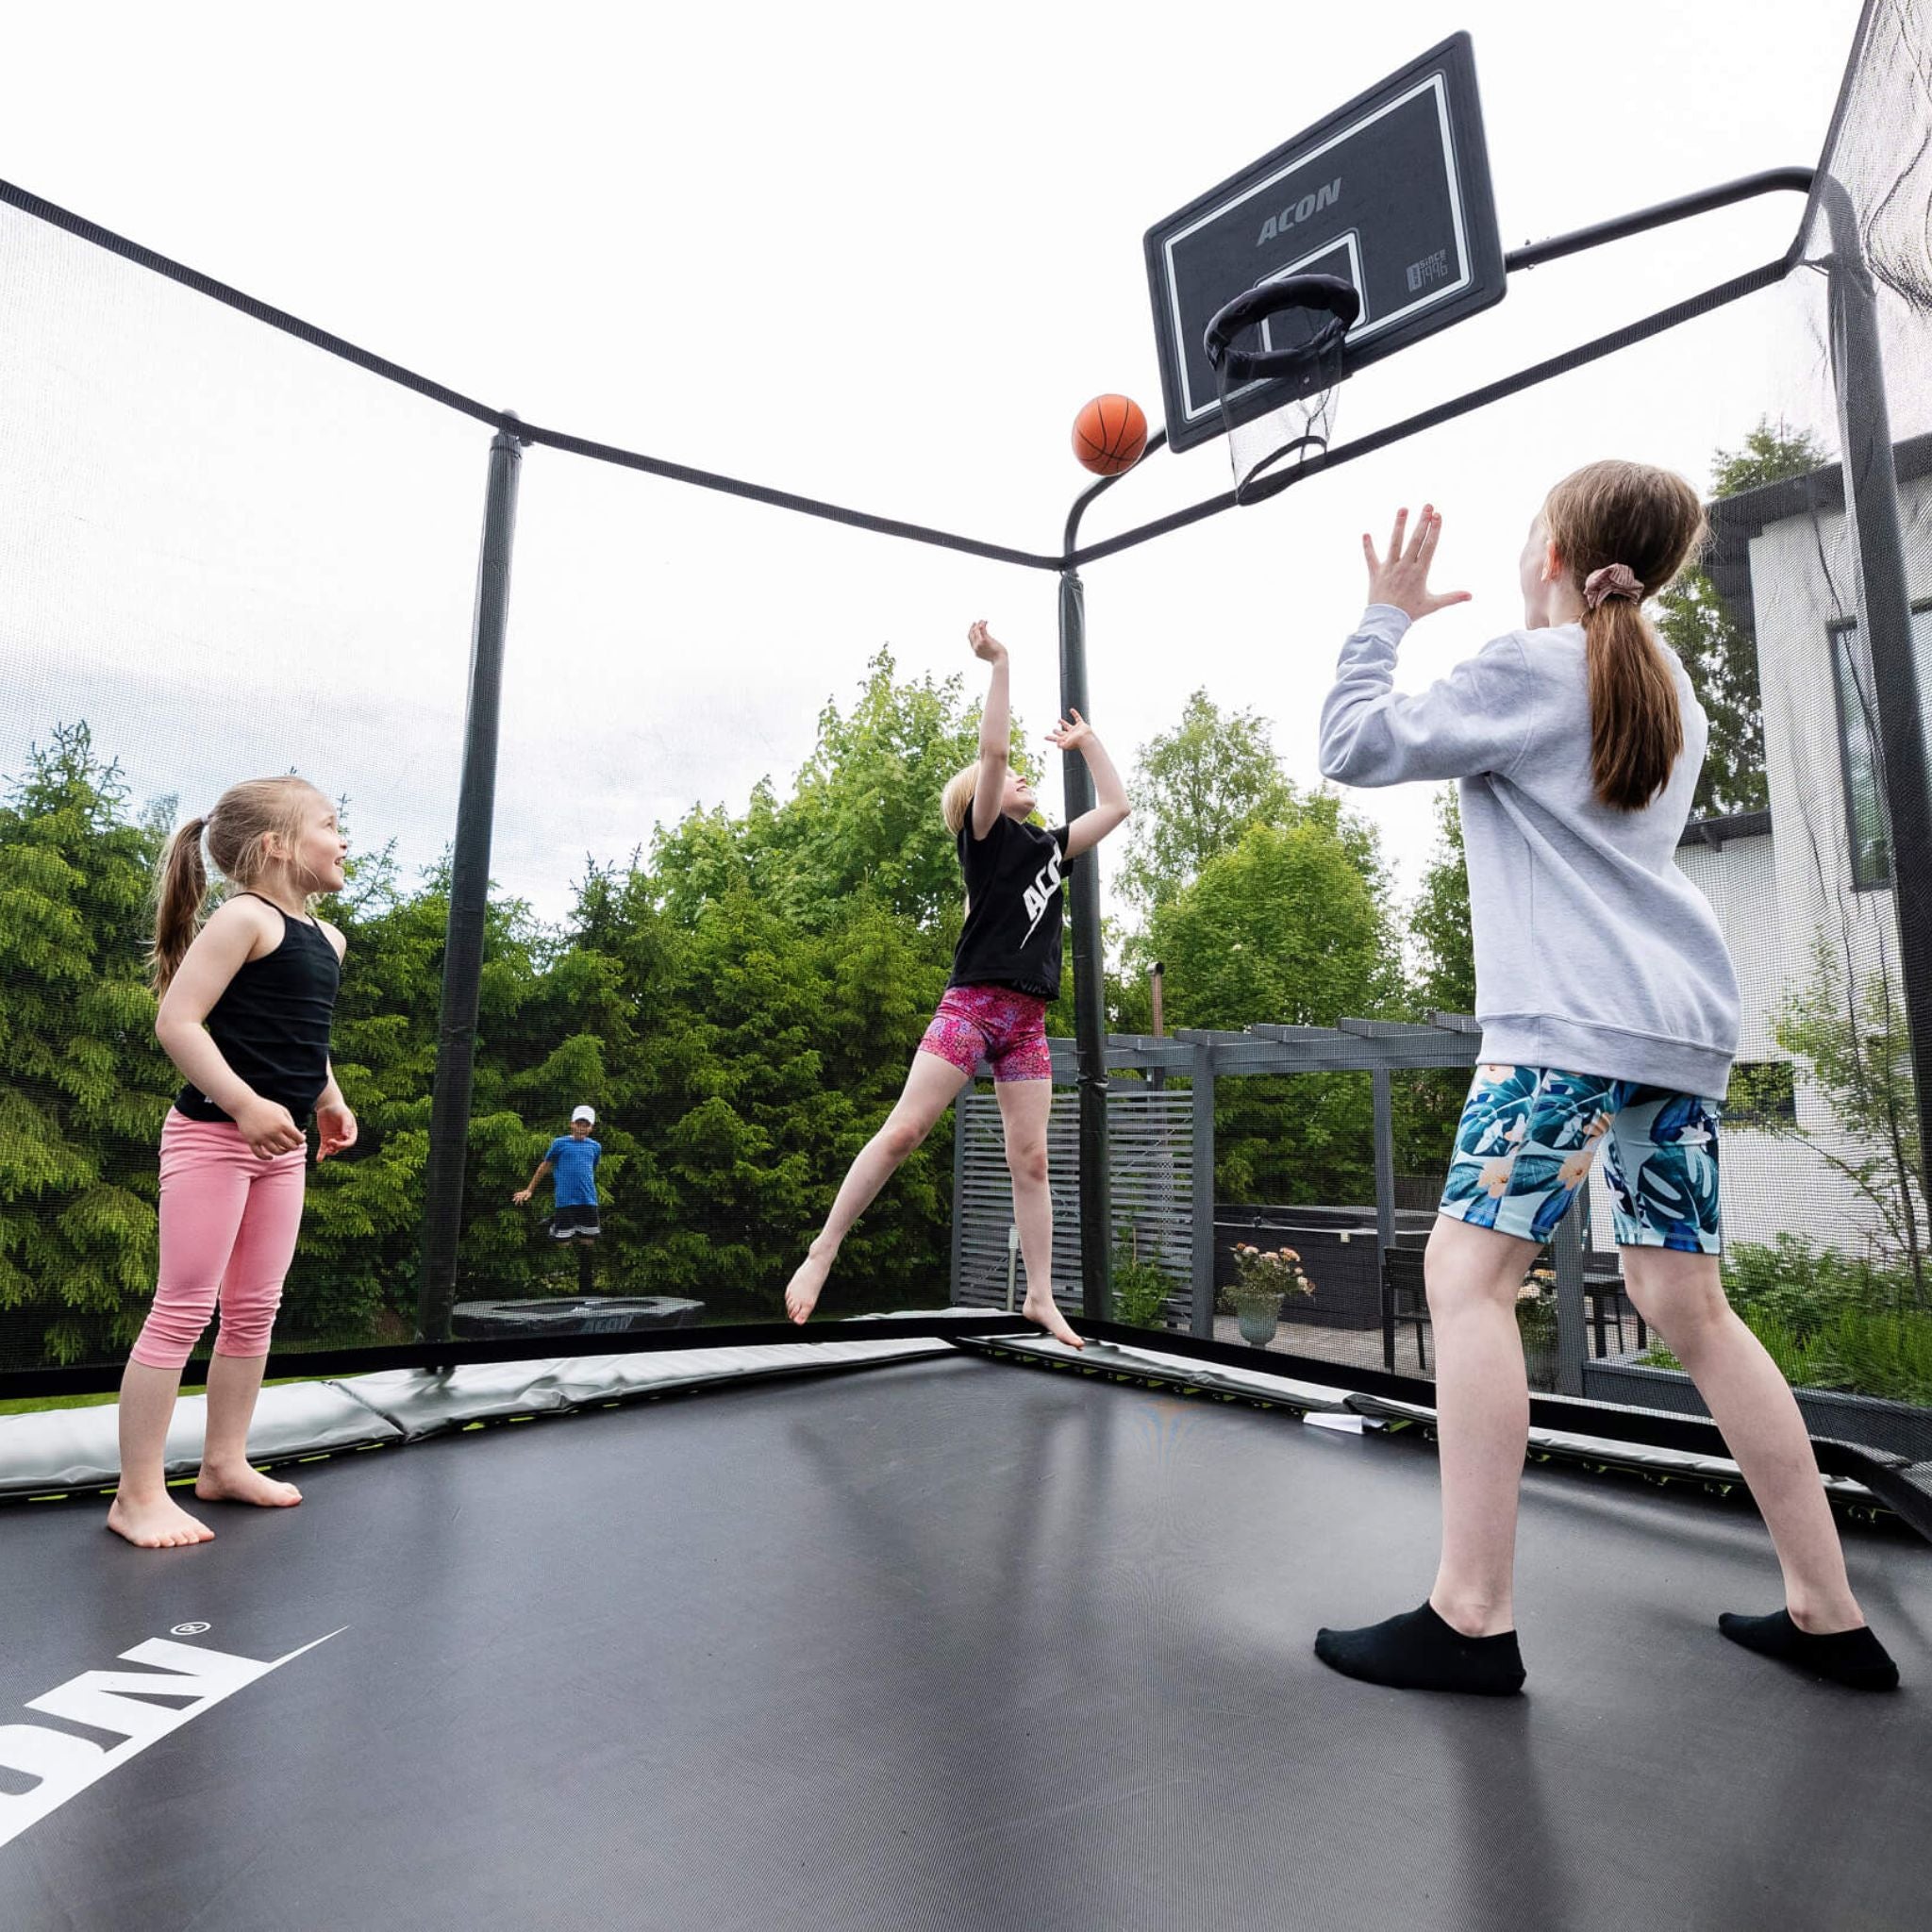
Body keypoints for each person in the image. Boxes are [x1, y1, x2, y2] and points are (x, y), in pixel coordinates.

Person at [1310, 467, 1898, 1694]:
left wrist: (1387, 616)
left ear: (1555, 553)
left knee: (1465, 1280)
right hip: (1673, 1031)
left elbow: (1353, 745)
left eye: (1533, 536)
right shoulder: (1661, 682)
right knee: (1686, 1300)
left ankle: (1471, 1616)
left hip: (1563, 1031)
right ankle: (1827, 1605)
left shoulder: (1538, 670)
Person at [783, 619, 1129, 1348]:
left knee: (1031, 1160)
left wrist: (1088, 742)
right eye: (1013, 781)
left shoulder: (1050, 848)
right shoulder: (986, 838)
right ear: (986, 795)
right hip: (971, 1007)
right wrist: (1001, 662)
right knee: (906, 1130)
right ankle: (824, 1249)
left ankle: (1040, 1296)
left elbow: (1117, 807)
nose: (1027, 780)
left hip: (1026, 1024)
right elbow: (995, 750)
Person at [108, 778, 355, 1551]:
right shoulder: (243, 918)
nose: (343, 841)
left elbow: (298, 1037)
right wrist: (246, 1105)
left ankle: (223, 1464)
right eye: (330, 825)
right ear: (279, 845)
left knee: (254, 1309)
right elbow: (177, 1022)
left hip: (279, 1155)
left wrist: (328, 1098)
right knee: (183, 1308)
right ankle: (137, 1494)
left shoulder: (329, 938)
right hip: (213, 1138)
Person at [514, 1106, 604, 1245]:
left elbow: (591, 1169)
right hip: (565, 1199)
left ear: (591, 1128)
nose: (582, 1128)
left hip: (588, 1199)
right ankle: (555, 1221)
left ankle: (584, 1266)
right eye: (579, 1124)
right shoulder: (560, 1144)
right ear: (572, 1124)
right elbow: (544, 1167)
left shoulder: (595, 1147)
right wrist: (529, 1189)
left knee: (588, 1241)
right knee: (563, 1241)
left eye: (586, 1125)